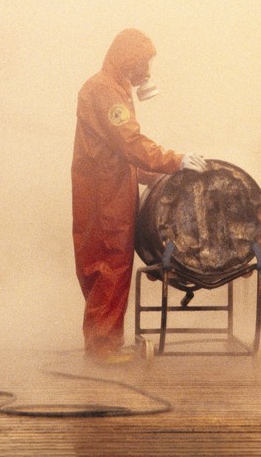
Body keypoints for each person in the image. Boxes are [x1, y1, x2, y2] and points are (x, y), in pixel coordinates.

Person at [71, 28, 207, 363]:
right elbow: (128, 143)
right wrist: (174, 160)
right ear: (128, 59)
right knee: (109, 264)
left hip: (106, 188)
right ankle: (102, 348)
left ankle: (103, 342)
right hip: (105, 196)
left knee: (107, 264)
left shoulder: (111, 88)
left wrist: (161, 173)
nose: (144, 71)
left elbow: (118, 153)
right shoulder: (104, 90)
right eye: (142, 63)